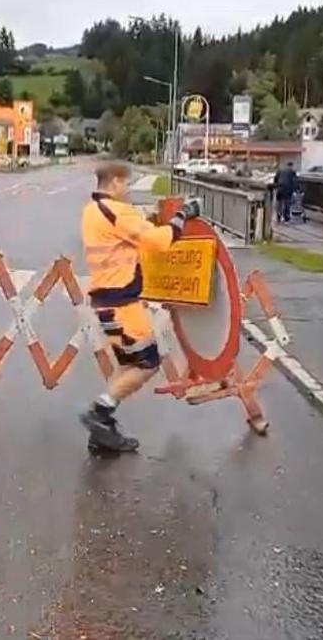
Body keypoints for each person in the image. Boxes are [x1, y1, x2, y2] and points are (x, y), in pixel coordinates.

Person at [79, 162, 200, 453]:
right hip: (123, 305)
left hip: (105, 303)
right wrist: (183, 215)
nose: (129, 190)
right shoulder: (118, 212)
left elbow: (126, 234)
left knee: (129, 364)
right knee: (148, 364)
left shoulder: (92, 211)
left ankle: (102, 432)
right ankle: (99, 412)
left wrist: (146, 219)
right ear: (116, 182)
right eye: (127, 185)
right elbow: (159, 241)